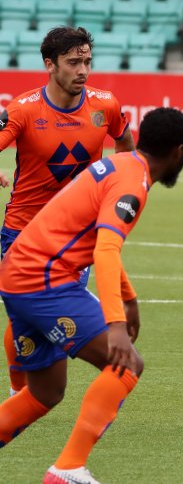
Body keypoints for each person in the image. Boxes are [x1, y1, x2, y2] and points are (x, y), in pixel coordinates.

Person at [0, 107, 183, 484]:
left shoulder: (122, 164)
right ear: (179, 151)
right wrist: (116, 323)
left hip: (17, 276)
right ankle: (68, 468)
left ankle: (67, 467)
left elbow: (94, 239)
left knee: (45, 392)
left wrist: (130, 297)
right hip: (43, 280)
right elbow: (105, 249)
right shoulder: (131, 184)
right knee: (127, 364)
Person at [0, 26, 135, 398]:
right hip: (22, 233)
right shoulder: (23, 110)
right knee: (26, 313)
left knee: (50, 314)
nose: (83, 70)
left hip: (76, 234)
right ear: (50, 64)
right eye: (73, 62)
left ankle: (37, 390)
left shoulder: (104, 104)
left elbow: (124, 143)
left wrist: (115, 185)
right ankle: (19, 390)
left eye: (87, 62)